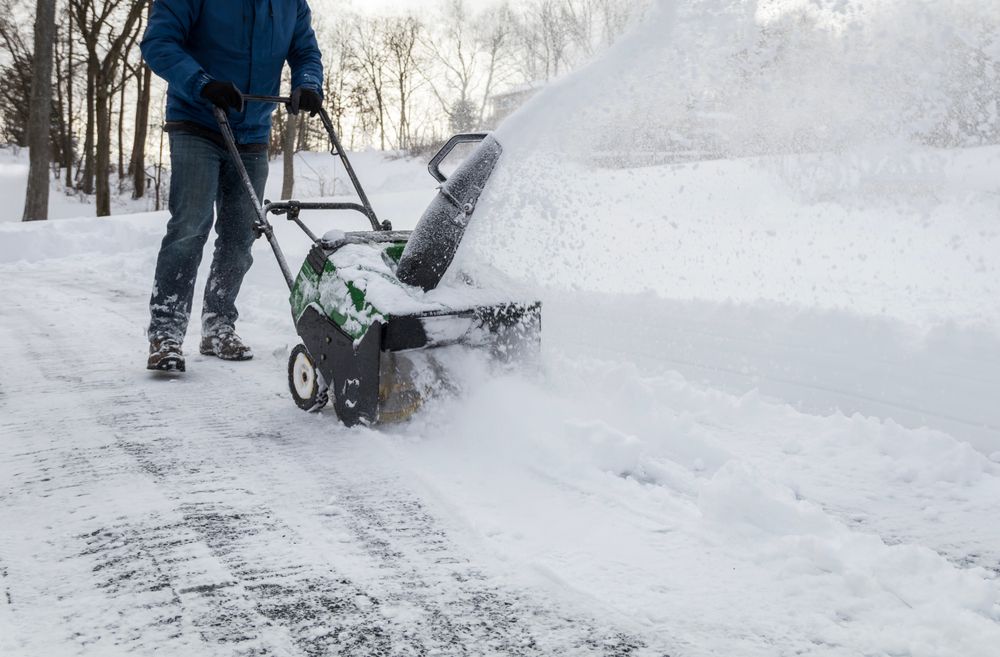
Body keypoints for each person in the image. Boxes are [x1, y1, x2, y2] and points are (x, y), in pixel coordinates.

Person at [140, 0, 324, 372]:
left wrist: (307, 83)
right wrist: (201, 83)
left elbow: (305, 51)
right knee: (189, 226)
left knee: (242, 234)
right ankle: (166, 333)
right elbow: (158, 42)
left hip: (252, 129)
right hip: (196, 120)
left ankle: (218, 325)